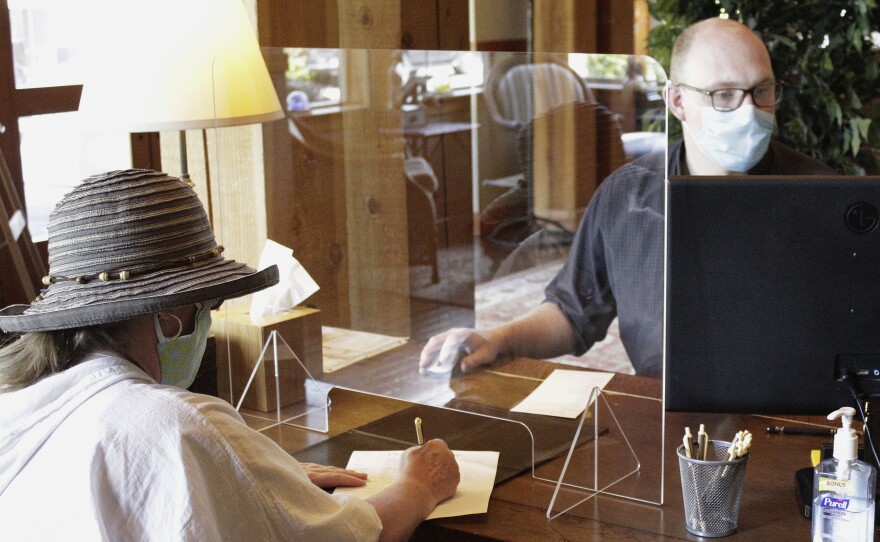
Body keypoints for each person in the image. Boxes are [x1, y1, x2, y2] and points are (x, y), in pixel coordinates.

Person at [0, 169, 459, 541]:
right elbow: (355, 537)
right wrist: (418, 487)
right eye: (208, 306)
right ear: (170, 316)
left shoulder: (16, 407)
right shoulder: (180, 426)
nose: (208, 320)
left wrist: (241, 479)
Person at [420, 17, 837, 379]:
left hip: (792, 425)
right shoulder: (628, 197)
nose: (749, 111)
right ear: (677, 101)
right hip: (665, 425)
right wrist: (498, 338)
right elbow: (572, 312)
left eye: (762, 91)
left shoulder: (823, 197)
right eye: (724, 94)